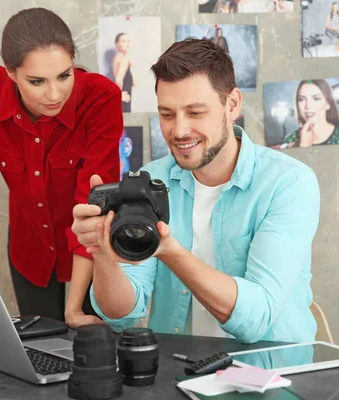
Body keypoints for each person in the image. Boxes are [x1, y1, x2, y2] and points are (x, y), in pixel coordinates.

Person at [72, 38, 321, 344]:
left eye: (195, 112)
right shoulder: (152, 179)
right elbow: (122, 316)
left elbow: (256, 319)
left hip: (271, 374)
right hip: (177, 371)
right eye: (166, 114)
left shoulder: (289, 183)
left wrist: (171, 251)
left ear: (232, 105)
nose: (178, 131)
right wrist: (103, 254)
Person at [0, 8, 123, 328]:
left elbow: (92, 202)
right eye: (37, 81)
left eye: (64, 75)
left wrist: (74, 308)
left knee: (94, 355)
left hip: (91, 246)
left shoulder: (100, 98)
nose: (54, 94)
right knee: (41, 349)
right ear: (10, 72)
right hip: (30, 247)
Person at [280, 79, 339, 148]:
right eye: (301, 99)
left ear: (328, 103)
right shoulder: (289, 140)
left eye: (316, 98)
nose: (308, 106)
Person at [112, 33, 136, 113]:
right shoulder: (123, 59)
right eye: (123, 41)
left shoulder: (121, 58)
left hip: (124, 98)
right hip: (123, 99)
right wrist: (120, 95)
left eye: (128, 41)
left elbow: (134, 83)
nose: (127, 44)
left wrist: (130, 67)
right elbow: (118, 80)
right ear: (117, 44)